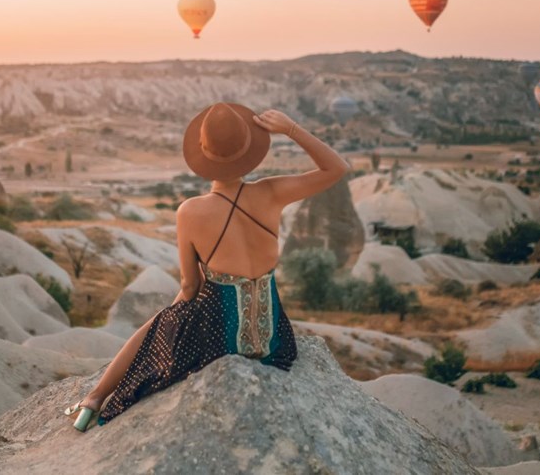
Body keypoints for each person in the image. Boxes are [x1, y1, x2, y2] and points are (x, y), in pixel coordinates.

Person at [65, 103, 350, 431]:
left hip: (218, 344)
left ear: (203, 152)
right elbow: (336, 168)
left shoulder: (190, 211)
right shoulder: (272, 192)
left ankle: (95, 398)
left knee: (161, 322)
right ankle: (96, 396)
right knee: (173, 316)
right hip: (277, 344)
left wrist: (168, 323)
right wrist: (292, 129)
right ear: (248, 149)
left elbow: (189, 288)